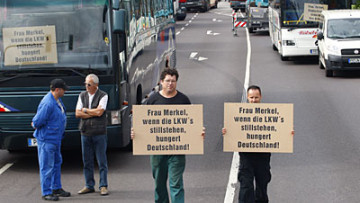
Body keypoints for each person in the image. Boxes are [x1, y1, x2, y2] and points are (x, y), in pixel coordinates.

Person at [131, 68, 205, 203]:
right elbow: (143, 123)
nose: (170, 84)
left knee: (176, 184)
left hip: (177, 151)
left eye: (173, 81)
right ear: (161, 82)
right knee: (159, 185)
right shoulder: (153, 100)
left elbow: (192, 122)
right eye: (167, 81)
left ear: (176, 82)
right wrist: (136, 133)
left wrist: (198, 132)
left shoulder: (183, 100)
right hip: (157, 151)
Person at [222, 85, 294, 203]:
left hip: (263, 157)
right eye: (251, 97)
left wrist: (288, 133)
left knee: (261, 190)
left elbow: (278, 130)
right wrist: (227, 131)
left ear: (260, 97)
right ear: (247, 98)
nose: (254, 100)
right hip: (246, 158)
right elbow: (233, 131)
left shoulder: (269, 113)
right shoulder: (240, 115)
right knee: (246, 188)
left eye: (256, 97)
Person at [32, 79, 71, 201]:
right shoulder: (48, 103)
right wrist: (34, 124)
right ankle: (46, 192)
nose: (65, 91)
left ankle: (56, 188)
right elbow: (37, 121)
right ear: (57, 89)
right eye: (63, 89)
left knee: (56, 164)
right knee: (47, 166)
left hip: (55, 138)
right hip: (47, 139)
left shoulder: (57, 100)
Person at [75, 74, 109, 196]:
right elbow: (77, 113)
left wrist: (85, 110)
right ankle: (89, 185)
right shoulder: (82, 95)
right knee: (87, 161)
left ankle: (103, 185)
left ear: (96, 85)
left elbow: (100, 112)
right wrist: (92, 112)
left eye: (89, 84)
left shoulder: (103, 95)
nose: (86, 86)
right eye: (85, 84)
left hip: (99, 132)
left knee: (101, 161)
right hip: (85, 132)